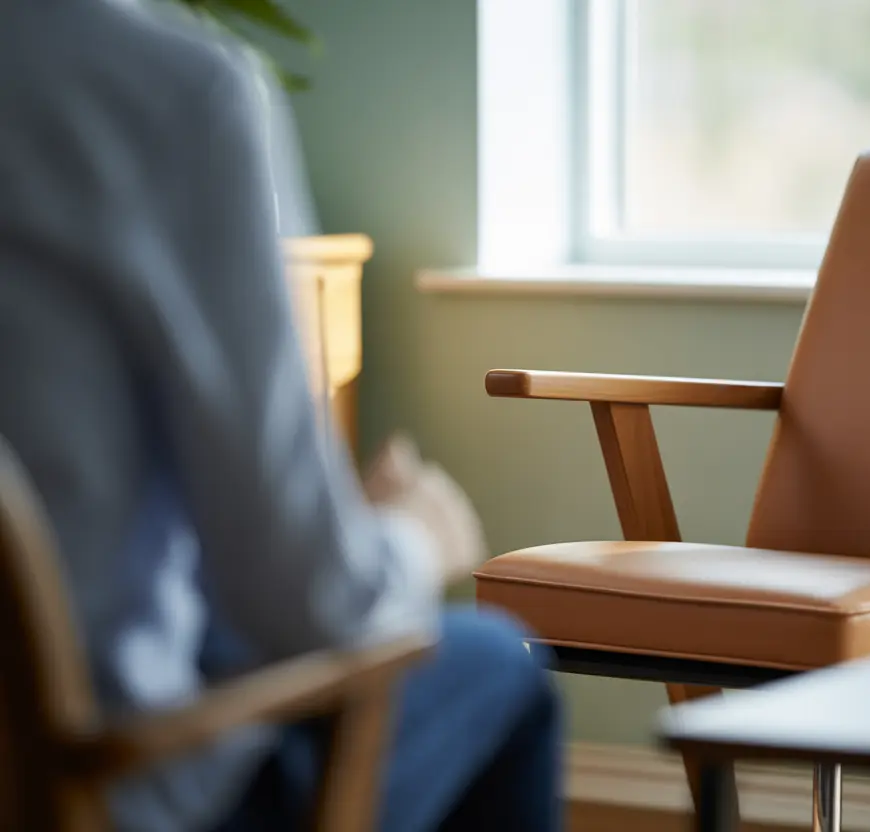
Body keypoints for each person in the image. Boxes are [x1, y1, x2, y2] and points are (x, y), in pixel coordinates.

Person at [0, 1, 560, 831]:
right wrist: (413, 537)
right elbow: (308, 611)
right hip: (96, 786)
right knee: (501, 664)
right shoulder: (171, 93)